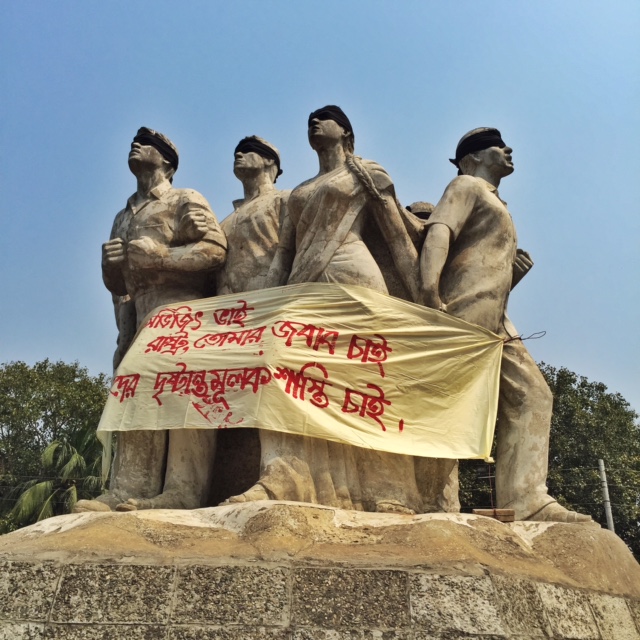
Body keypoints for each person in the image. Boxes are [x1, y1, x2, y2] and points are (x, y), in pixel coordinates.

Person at [227, 105, 425, 514]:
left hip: (353, 275)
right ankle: (285, 478)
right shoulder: (298, 191)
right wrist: (265, 304)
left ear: (345, 132)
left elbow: (399, 239)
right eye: (310, 120)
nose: (314, 123)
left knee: (367, 379)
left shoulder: (366, 172)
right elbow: (284, 252)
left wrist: (427, 299)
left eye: (325, 118)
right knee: (288, 372)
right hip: (303, 286)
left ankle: (390, 491)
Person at [420, 127, 590, 522]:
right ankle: (435, 503)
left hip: (497, 320)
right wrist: (429, 289)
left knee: (533, 396)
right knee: (451, 405)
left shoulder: (497, 202)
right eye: (498, 145)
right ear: (472, 158)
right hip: (464, 312)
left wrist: (513, 274)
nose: (508, 148)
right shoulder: (465, 185)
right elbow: (439, 232)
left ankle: (527, 498)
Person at [76, 127, 227, 512]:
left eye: (148, 144)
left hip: (182, 310)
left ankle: (183, 490)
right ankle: (130, 487)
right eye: (134, 142)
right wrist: (110, 269)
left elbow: (214, 250)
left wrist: (161, 256)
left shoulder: (183, 198)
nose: (136, 146)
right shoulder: (122, 215)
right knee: (137, 396)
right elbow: (119, 285)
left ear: (168, 162)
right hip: (140, 315)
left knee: (183, 394)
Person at [216, 136, 289, 295]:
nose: (238, 155)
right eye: (236, 152)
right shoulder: (224, 223)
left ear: (269, 160)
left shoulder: (285, 200)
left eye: (248, 150)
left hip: (270, 299)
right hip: (227, 309)